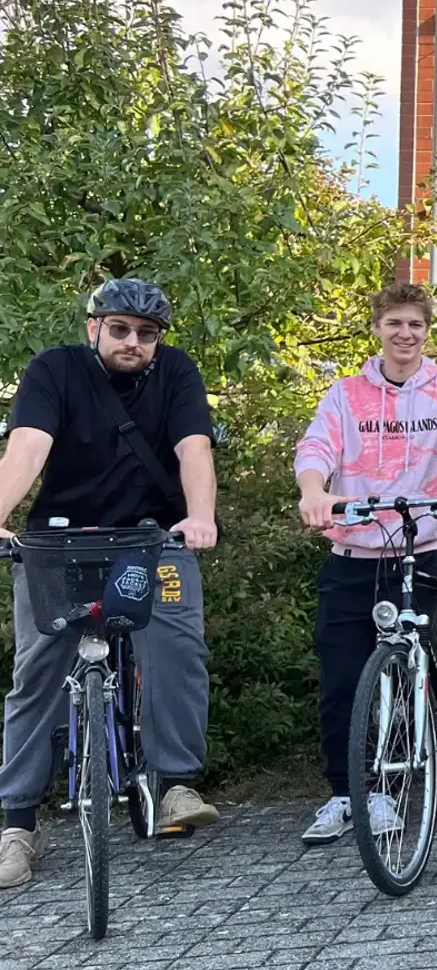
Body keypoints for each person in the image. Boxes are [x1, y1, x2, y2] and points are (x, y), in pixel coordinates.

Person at [0, 279, 221, 888]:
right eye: (120, 328)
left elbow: (194, 449)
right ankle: (18, 823)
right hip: (58, 544)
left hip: (151, 543)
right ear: (93, 327)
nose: (133, 341)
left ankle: (175, 784)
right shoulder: (54, 371)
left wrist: (200, 516)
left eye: (146, 333)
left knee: (177, 646)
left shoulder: (176, 372)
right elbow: (27, 450)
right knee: (37, 669)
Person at [293, 283, 437, 845]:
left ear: (427, 331)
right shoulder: (345, 395)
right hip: (352, 555)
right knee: (342, 679)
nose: (405, 334)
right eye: (394, 324)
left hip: (419, 551)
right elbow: (316, 448)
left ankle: (391, 786)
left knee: (408, 671)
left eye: (415, 324)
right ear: (377, 329)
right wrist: (314, 491)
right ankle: (345, 793)